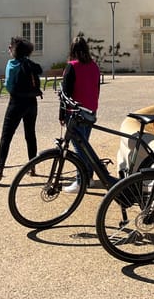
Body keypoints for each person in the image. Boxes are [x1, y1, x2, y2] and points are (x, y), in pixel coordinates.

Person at [0, 37, 43, 184]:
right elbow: (39, 70)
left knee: (6, 136)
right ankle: (32, 166)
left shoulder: (11, 64)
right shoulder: (30, 64)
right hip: (31, 102)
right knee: (30, 134)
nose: (9, 49)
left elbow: (9, 85)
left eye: (10, 47)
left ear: (14, 50)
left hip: (16, 102)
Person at [59, 36, 100, 193]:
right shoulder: (94, 66)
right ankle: (88, 178)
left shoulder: (72, 66)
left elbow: (65, 94)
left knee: (79, 149)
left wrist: (62, 115)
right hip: (90, 110)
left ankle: (80, 180)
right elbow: (97, 89)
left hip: (75, 113)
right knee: (85, 145)